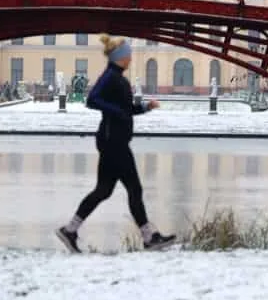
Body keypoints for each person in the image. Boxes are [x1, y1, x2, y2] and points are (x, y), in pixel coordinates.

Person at [56, 34, 177, 253]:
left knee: (103, 190)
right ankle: (149, 237)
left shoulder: (118, 77)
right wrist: (117, 112)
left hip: (113, 140)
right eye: (128, 55)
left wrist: (144, 108)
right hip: (114, 142)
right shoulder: (111, 76)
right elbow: (92, 99)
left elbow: (125, 109)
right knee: (134, 188)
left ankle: (70, 230)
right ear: (120, 57)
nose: (130, 58)